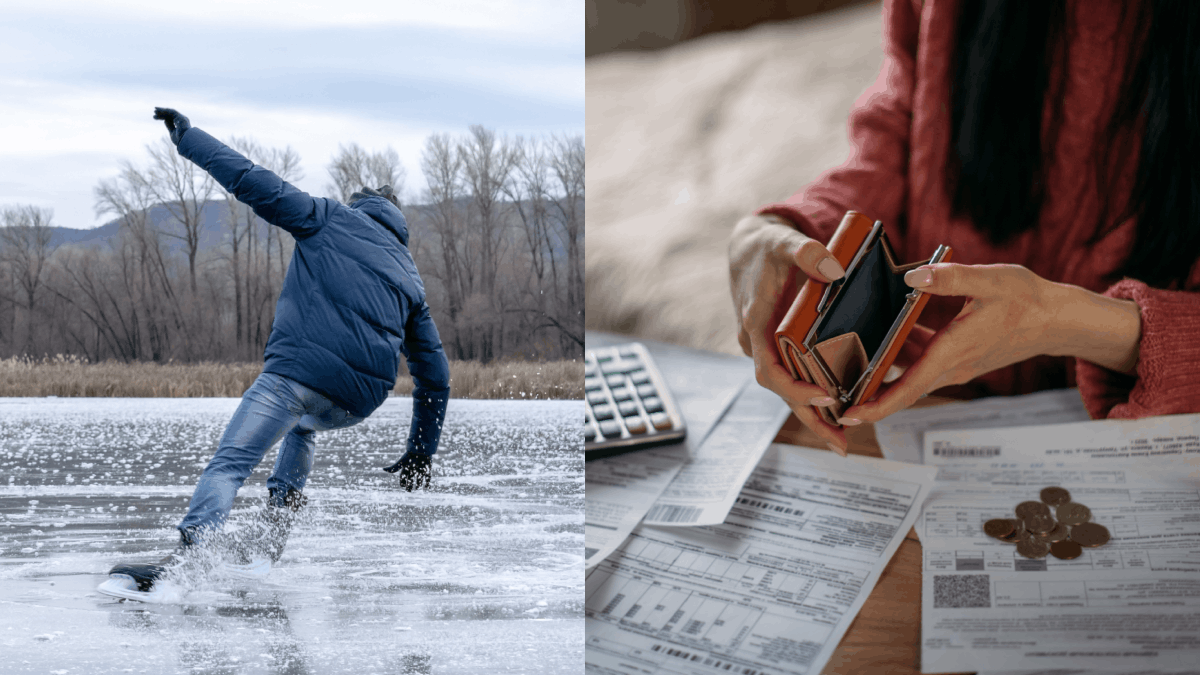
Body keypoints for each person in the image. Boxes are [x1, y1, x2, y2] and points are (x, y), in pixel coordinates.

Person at [728, 0, 1200, 456]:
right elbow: (895, 140)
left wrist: (1074, 325)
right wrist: (782, 229)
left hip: (1154, 447)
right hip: (931, 416)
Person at [107, 107, 451, 592]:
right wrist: (421, 452)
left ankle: (188, 563)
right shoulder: (410, 277)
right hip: (354, 403)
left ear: (361, 206)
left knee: (230, 463)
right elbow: (435, 378)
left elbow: (252, 179)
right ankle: (270, 542)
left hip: (294, 377)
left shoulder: (330, 218)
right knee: (303, 426)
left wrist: (189, 139)